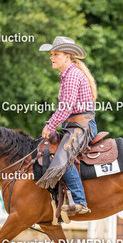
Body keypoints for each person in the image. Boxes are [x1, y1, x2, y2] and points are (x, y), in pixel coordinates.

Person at [38, 36, 97, 215]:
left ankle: (79, 201)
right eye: (51, 54)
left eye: (56, 54)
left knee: (63, 154)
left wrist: (50, 125)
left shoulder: (71, 75)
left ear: (67, 56)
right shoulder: (68, 74)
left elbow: (65, 107)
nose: (51, 57)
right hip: (74, 125)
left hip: (82, 125)